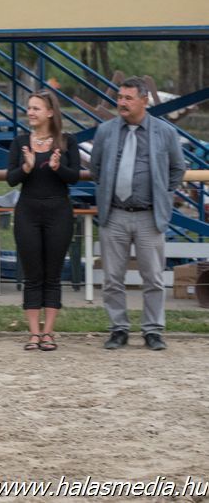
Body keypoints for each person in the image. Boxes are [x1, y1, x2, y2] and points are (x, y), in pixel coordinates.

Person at [90, 76, 186, 351]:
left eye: (128, 98)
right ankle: (118, 329)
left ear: (144, 101)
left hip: (149, 216)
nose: (121, 102)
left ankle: (153, 331)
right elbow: (96, 168)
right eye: (119, 97)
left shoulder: (164, 132)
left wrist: (163, 195)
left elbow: (177, 169)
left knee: (153, 278)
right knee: (112, 278)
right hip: (115, 214)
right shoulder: (105, 131)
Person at [7, 89, 81, 351]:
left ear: (50, 112)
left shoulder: (67, 141)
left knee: (53, 273)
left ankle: (49, 332)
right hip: (27, 211)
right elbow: (11, 178)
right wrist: (26, 168)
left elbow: (74, 177)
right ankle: (33, 333)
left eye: (36, 108)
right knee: (32, 273)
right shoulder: (20, 142)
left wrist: (57, 167)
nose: (30, 112)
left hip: (58, 211)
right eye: (29, 107)